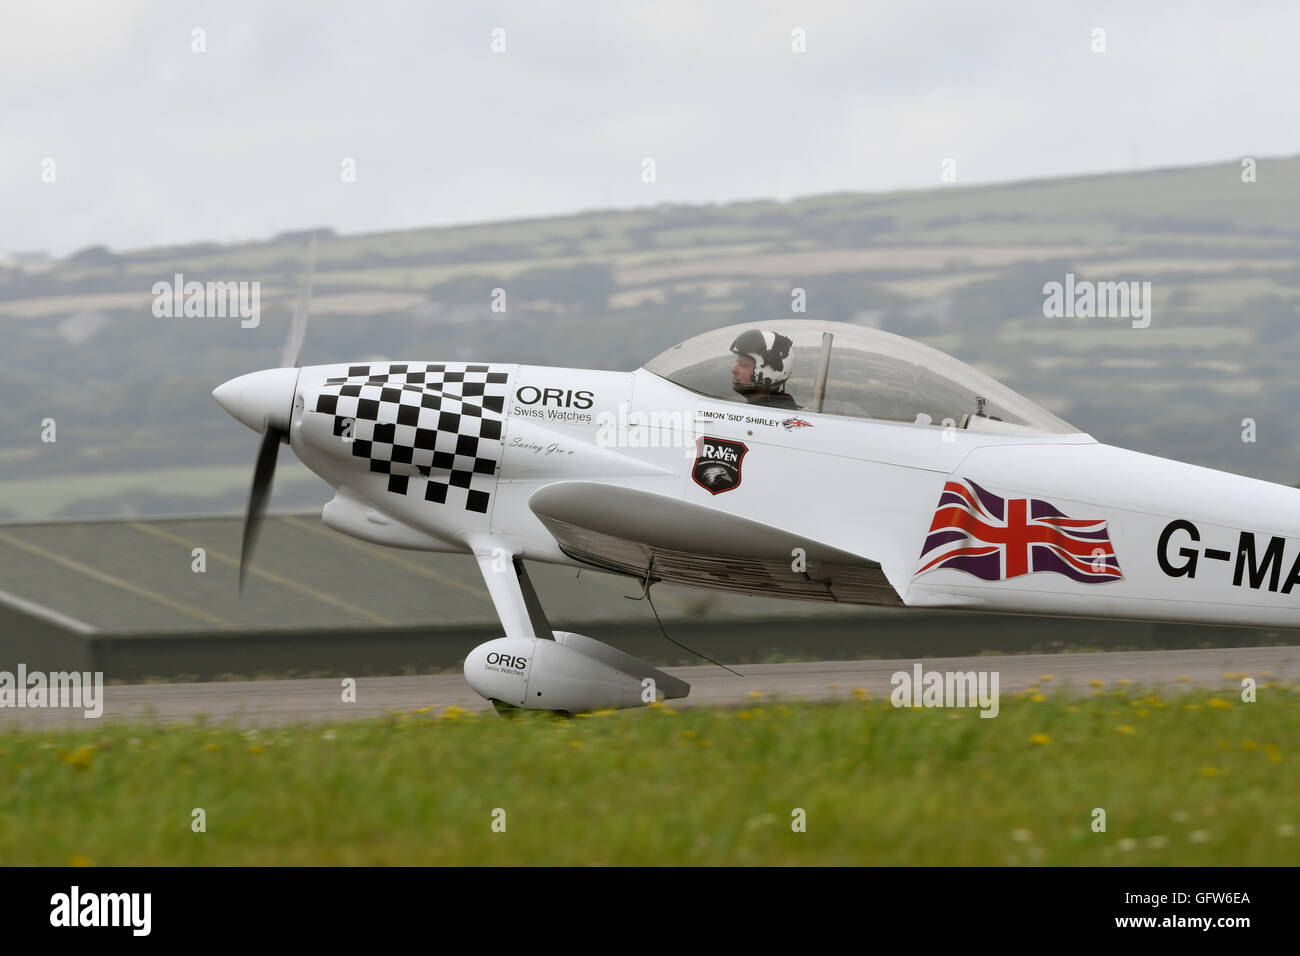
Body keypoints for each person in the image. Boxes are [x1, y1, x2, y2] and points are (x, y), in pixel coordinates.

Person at [729, 329, 798, 409]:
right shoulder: (776, 410)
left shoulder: (763, 415)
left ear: (768, 373)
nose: (734, 370)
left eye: (743, 365)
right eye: (737, 363)